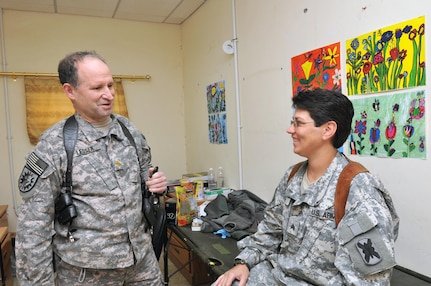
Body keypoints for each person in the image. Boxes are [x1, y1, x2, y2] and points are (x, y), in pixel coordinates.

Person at [214, 89, 399, 285]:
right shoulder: (292, 176)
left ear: (328, 130)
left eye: (299, 123)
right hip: (277, 276)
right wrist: (244, 263)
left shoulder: (359, 189)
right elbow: (270, 231)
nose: (290, 130)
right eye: (292, 122)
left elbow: (371, 280)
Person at [16, 51, 167, 285]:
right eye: (97, 88)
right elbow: (33, 230)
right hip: (87, 272)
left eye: (110, 85)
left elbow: (145, 176)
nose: (108, 94)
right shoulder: (54, 144)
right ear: (70, 91)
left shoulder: (128, 130)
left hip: (141, 262)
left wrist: (154, 183)